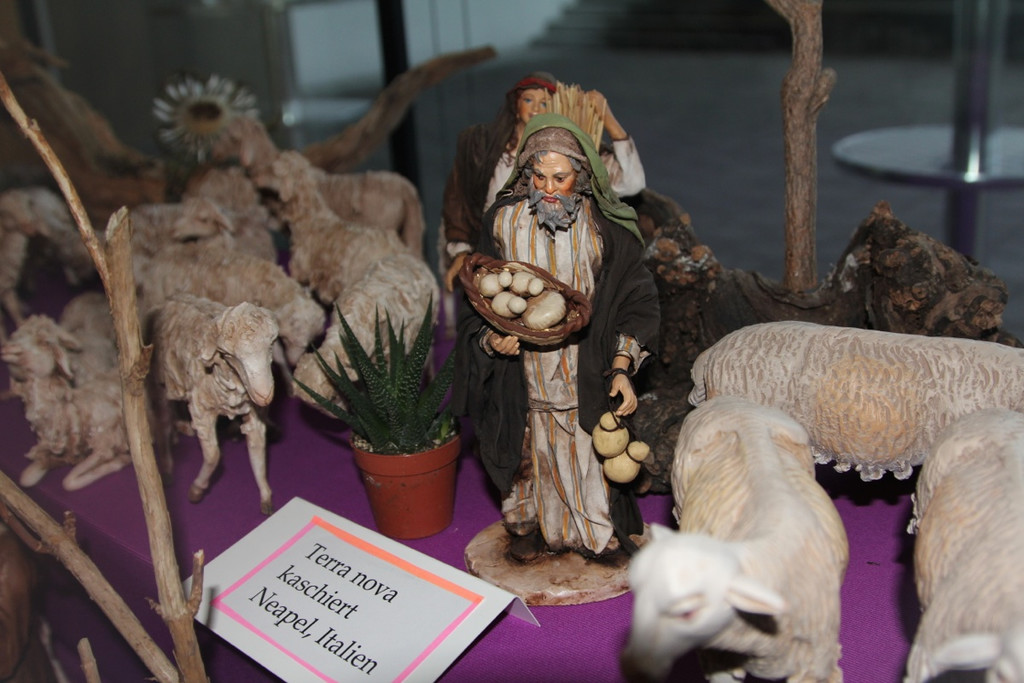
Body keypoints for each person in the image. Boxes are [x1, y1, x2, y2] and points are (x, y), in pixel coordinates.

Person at [453, 113, 659, 562]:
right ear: (525, 173)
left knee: (586, 454)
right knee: (528, 453)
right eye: (539, 176)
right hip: (522, 376)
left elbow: (636, 300)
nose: (548, 188)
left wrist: (622, 367)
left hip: (583, 368)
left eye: (560, 178)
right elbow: (475, 299)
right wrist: (492, 340)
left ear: (581, 177)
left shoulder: (605, 232)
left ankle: (592, 534)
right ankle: (531, 527)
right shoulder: (503, 223)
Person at [441, 71, 647, 291]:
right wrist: (461, 251)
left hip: (562, 252)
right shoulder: (486, 150)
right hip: (500, 249)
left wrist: (608, 119)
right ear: (516, 104)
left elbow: (632, 182)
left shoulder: (572, 155)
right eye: (528, 100)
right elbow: (459, 199)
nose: (536, 108)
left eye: (545, 103)